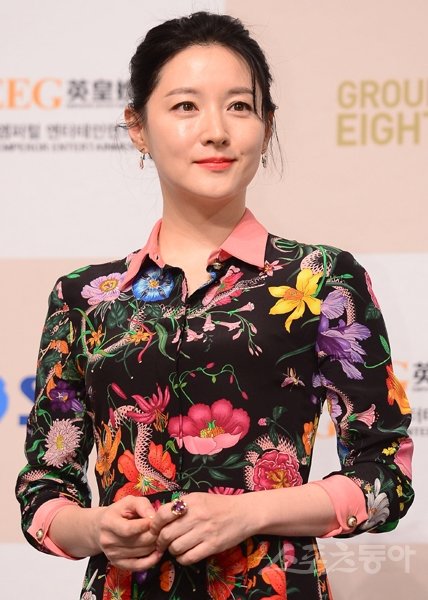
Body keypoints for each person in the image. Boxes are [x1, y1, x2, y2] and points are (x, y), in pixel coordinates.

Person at [16, 11, 414, 600]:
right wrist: (97, 528)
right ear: (137, 127)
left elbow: (385, 476)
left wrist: (249, 513)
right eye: (185, 106)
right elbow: (43, 490)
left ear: (267, 126)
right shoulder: (84, 298)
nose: (216, 131)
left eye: (239, 107)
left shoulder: (321, 279)